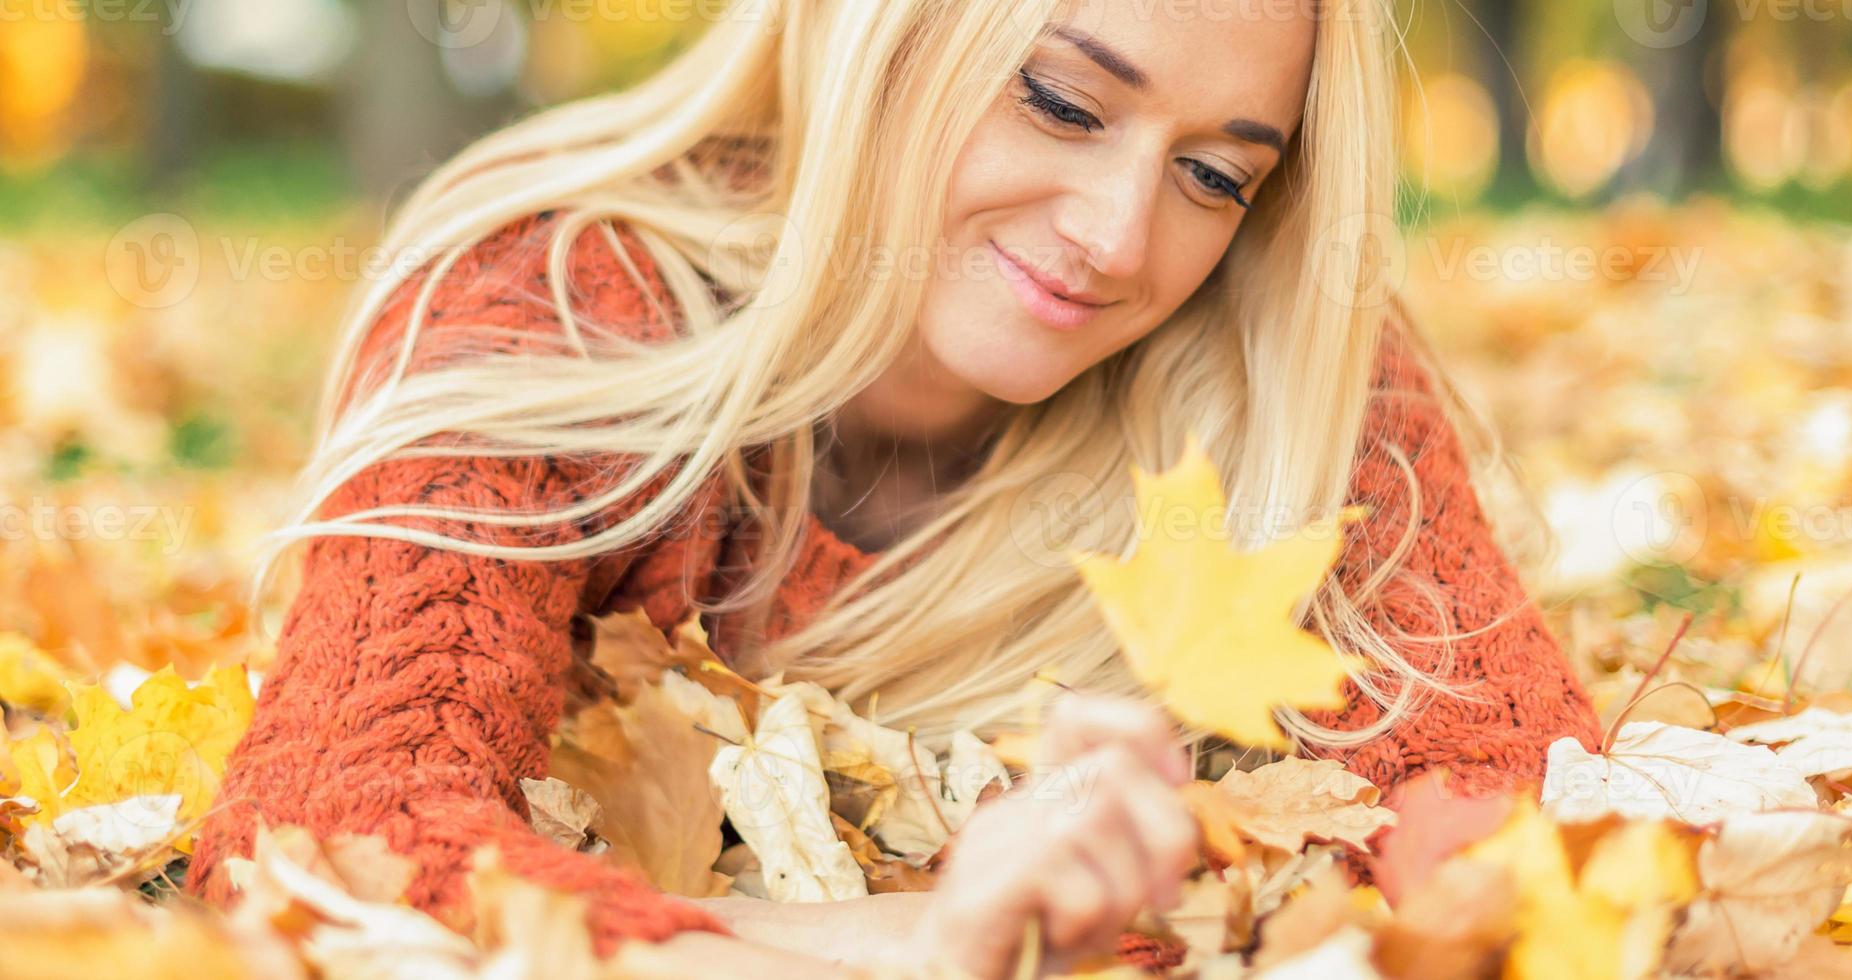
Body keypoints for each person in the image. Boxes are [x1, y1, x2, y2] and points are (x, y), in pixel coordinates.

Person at [182, 0, 1602, 975]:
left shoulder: (1281, 355)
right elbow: (330, 849)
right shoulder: (551, 304)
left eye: (1216, 176)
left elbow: (1506, 815)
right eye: (1060, 102)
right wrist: (917, 950)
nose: (1117, 237)